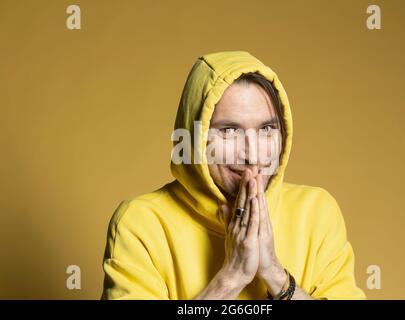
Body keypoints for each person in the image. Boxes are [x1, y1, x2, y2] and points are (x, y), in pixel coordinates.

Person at [101, 51, 366, 300]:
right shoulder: (141, 224)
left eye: (266, 129)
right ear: (195, 138)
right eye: (229, 131)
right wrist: (232, 276)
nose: (252, 154)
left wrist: (275, 275)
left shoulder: (316, 212)